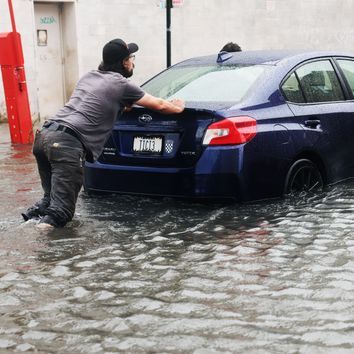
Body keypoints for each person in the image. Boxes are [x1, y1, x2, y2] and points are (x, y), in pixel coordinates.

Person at [22, 38, 185, 229]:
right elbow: (160, 105)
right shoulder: (122, 84)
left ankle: (29, 224)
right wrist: (178, 107)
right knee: (59, 213)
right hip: (66, 144)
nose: (133, 61)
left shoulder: (89, 76)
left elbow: (98, 102)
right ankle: (40, 250)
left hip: (44, 136)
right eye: (132, 57)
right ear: (124, 62)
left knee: (48, 202)